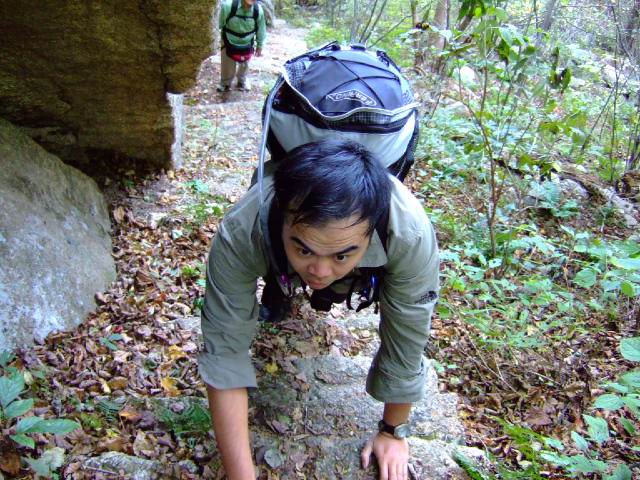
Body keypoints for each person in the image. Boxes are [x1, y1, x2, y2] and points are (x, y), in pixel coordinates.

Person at [198, 139, 440, 480]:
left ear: (371, 234)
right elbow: (224, 349)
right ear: (281, 217)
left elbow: (408, 330)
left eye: (341, 255)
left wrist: (392, 431)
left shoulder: (409, 232)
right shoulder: (244, 227)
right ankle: (281, 282)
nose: (321, 272)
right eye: (304, 249)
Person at [217, 0, 267, 92]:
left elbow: (261, 29)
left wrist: (259, 46)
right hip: (228, 40)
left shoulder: (258, 10)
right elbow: (218, 24)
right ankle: (225, 83)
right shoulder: (228, 6)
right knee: (227, 64)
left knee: (245, 64)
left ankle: (242, 80)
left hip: (247, 42)